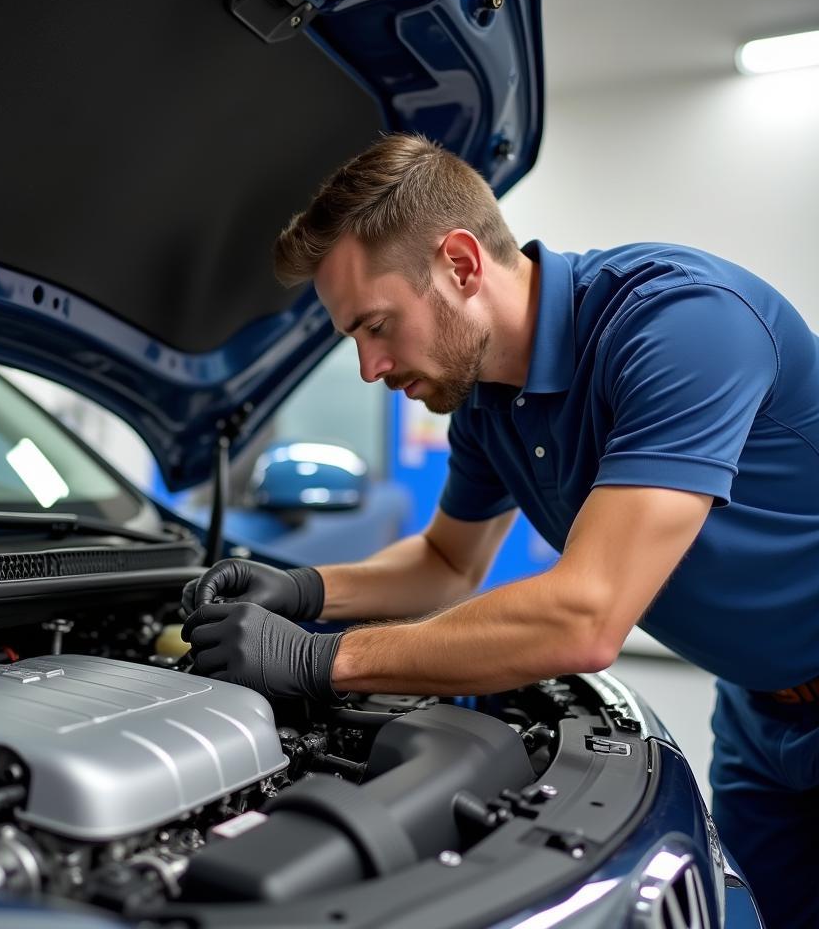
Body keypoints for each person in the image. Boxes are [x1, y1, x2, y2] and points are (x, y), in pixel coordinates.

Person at [181, 133, 819, 928]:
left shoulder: (678, 325)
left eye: (375, 327)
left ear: (460, 264)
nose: (369, 368)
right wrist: (305, 591)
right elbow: (447, 560)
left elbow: (585, 618)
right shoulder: (484, 406)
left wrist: (316, 659)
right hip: (758, 713)